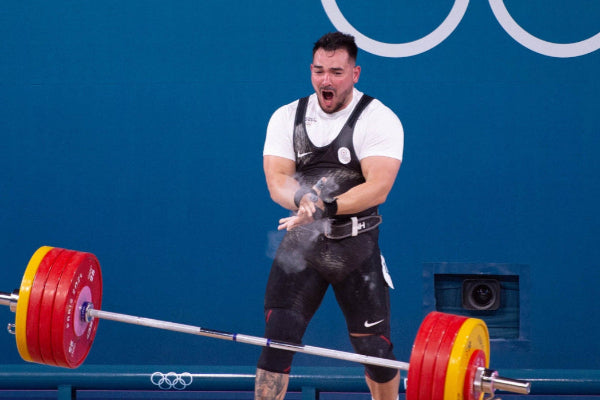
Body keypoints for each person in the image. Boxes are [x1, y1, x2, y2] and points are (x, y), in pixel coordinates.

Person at [256, 32, 404, 400]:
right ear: (311, 71)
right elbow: (277, 181)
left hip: (355, 248)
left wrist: (325, 206)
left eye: (336, 72)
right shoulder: (287, 117)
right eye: (319, 71)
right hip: (302, 247)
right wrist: (303, 195)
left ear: (355, 73)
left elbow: (377, 188)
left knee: (376, 352)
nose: (327, 80)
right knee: (278, 341)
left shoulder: (379, 119)